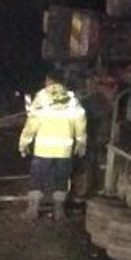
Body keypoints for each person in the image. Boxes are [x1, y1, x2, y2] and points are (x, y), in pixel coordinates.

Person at [19, 71, 87, 220]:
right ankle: (59, 212)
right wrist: (81, 143)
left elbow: (32, 124)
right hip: (64, 151)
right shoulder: (72, 99)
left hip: (43, 150)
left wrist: (24, 143)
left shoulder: (42, 97)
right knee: (61, 180)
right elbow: (81, 123)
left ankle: (32, 211)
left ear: (49, 80)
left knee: (37, 179)